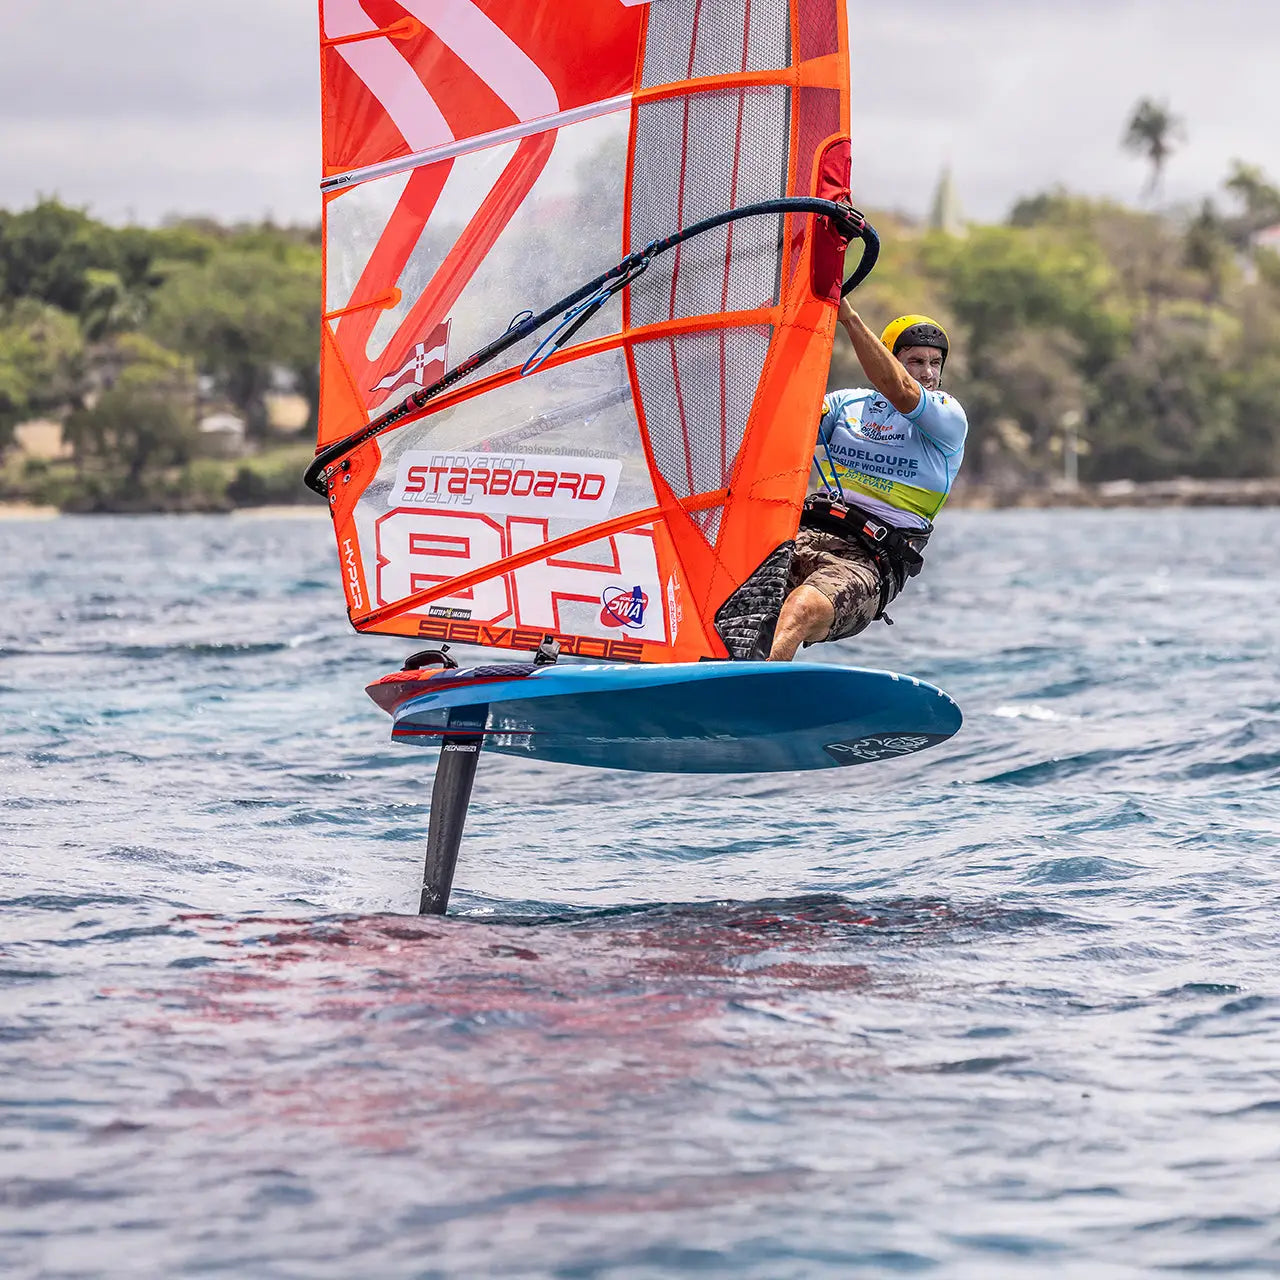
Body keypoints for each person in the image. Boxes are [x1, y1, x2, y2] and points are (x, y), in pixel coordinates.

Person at [767, 299, 968, 661]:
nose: (927, 373)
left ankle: (749, 699)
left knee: (801, 609)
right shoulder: (847, 405)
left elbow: (901, 391)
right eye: (915, 361)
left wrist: (847, 317)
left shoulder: (947, 417)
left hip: (867, 562)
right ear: (891, 358)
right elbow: (785, 422)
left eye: (934, 363)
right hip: (804, 535)